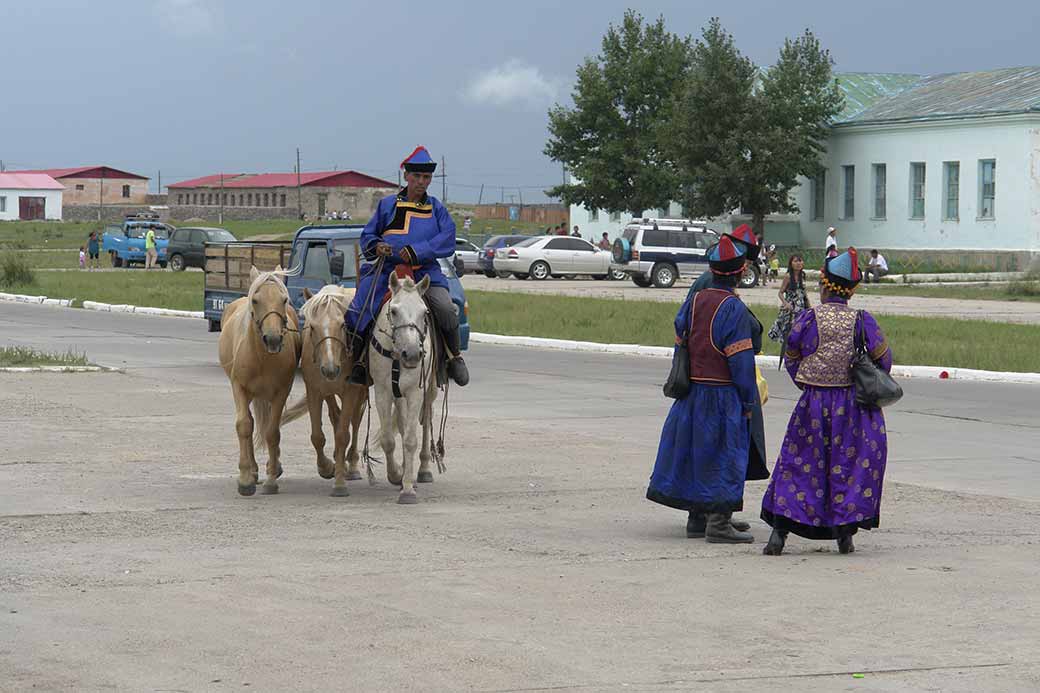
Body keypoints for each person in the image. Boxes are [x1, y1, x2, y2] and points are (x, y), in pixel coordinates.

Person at [760, 248, 892, 556]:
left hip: (813, 405)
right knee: (848, 467)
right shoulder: (863, 321)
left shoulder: (808, 318)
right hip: (853, 409)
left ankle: (779, 535)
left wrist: (809, 384)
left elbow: (792, 358)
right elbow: (884, 360)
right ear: (851, 291)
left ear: (823, 286)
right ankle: (844, 536)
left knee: (798, 465)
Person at [646, 237, 759, 543]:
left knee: (697, 453)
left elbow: (680, 340)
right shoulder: (733, 307)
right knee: (726, 455)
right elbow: (741, 362)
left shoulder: (694, 301)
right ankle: (719, 524)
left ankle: (696, 519)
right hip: (722, 396)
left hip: (693, 394)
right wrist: (748, 400)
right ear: (739, 271)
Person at [344, 146, 469, 387]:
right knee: (358, 310)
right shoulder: (387, 205)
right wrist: (377, 245)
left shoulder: (436, 208)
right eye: (417, 177)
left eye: (426, 177)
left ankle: (454, 358)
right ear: (406, 176)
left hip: (424, 273)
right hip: (387, 272)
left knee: (445, 307)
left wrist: (416, 252)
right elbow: (368, 235)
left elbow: (447, 238)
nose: (422, 182)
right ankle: (359, 362)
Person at [683, 223, 771, 536]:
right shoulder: (719, 289)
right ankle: (715, 518)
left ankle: (703, 516)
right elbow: (735, 336)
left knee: (704, 449)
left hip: (704, 381)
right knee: (726, 450)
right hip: (723, 384)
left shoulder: (711, 283)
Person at [767, 253, 811, 348]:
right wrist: (786, 303)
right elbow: (780, 293)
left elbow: (804, 292)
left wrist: (809, 305)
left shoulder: (803, 275)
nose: (798, 263)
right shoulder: (788, 276)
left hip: (801, 307)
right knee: (788, 330)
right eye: (795, 261)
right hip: (790, 308)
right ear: (791, 264)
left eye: (800, 261)